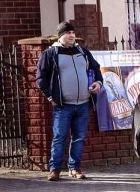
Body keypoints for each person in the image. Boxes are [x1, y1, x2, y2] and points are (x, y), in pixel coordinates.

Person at [37, 21, 103, 181]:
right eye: (68, 33)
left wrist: (98, 83)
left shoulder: (83, 51)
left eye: (73, 33)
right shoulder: (51, 53)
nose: (72, 35)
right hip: (63, 105)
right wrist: (50, 97)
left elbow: (96, 69)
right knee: (59, 137)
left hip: (83, 104)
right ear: (61, 36)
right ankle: (55, 170)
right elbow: (40, 78)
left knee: (79, 137)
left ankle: (75, 168)